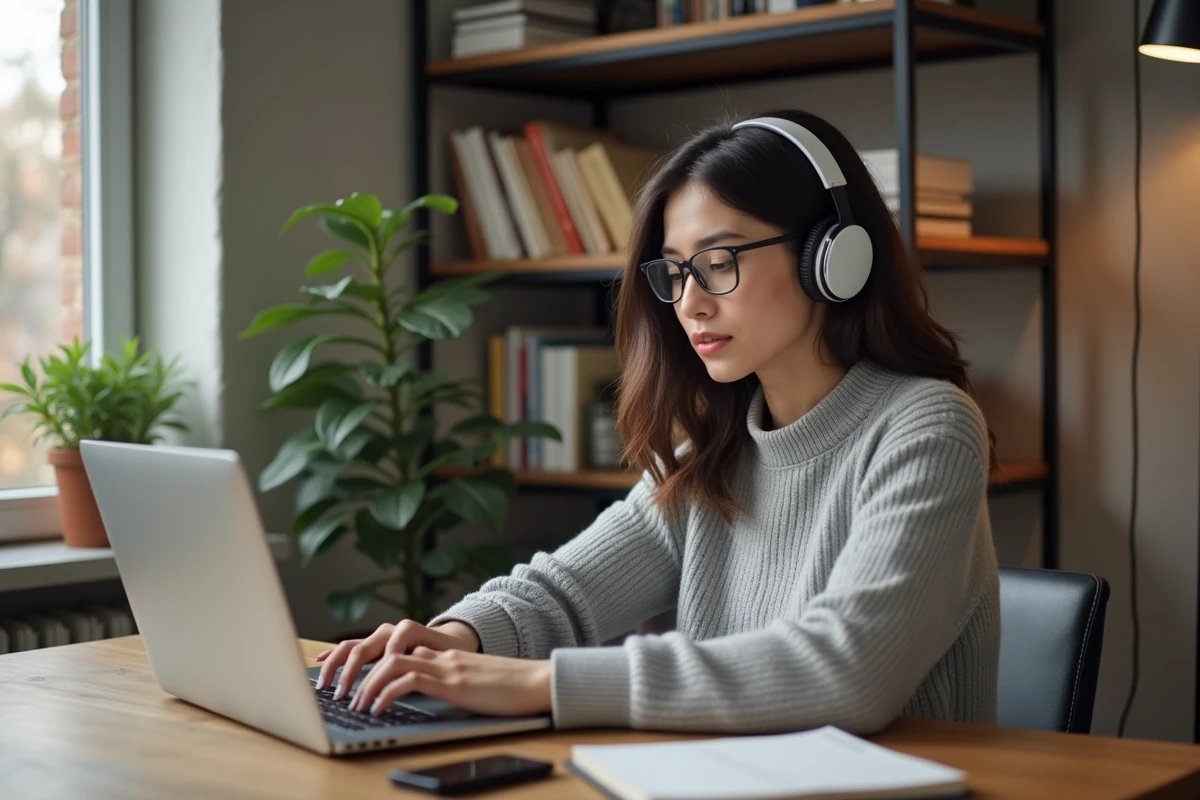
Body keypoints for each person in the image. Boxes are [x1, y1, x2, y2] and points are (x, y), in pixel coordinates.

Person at [314, 108, 1000, 735]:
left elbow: (848, 671)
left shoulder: (927, 429)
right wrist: (459, 638)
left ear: (832, 257)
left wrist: (542, 683)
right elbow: (567, 590)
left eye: (719, 262)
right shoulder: (710, 445)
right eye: (674, 273)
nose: (690, 303)